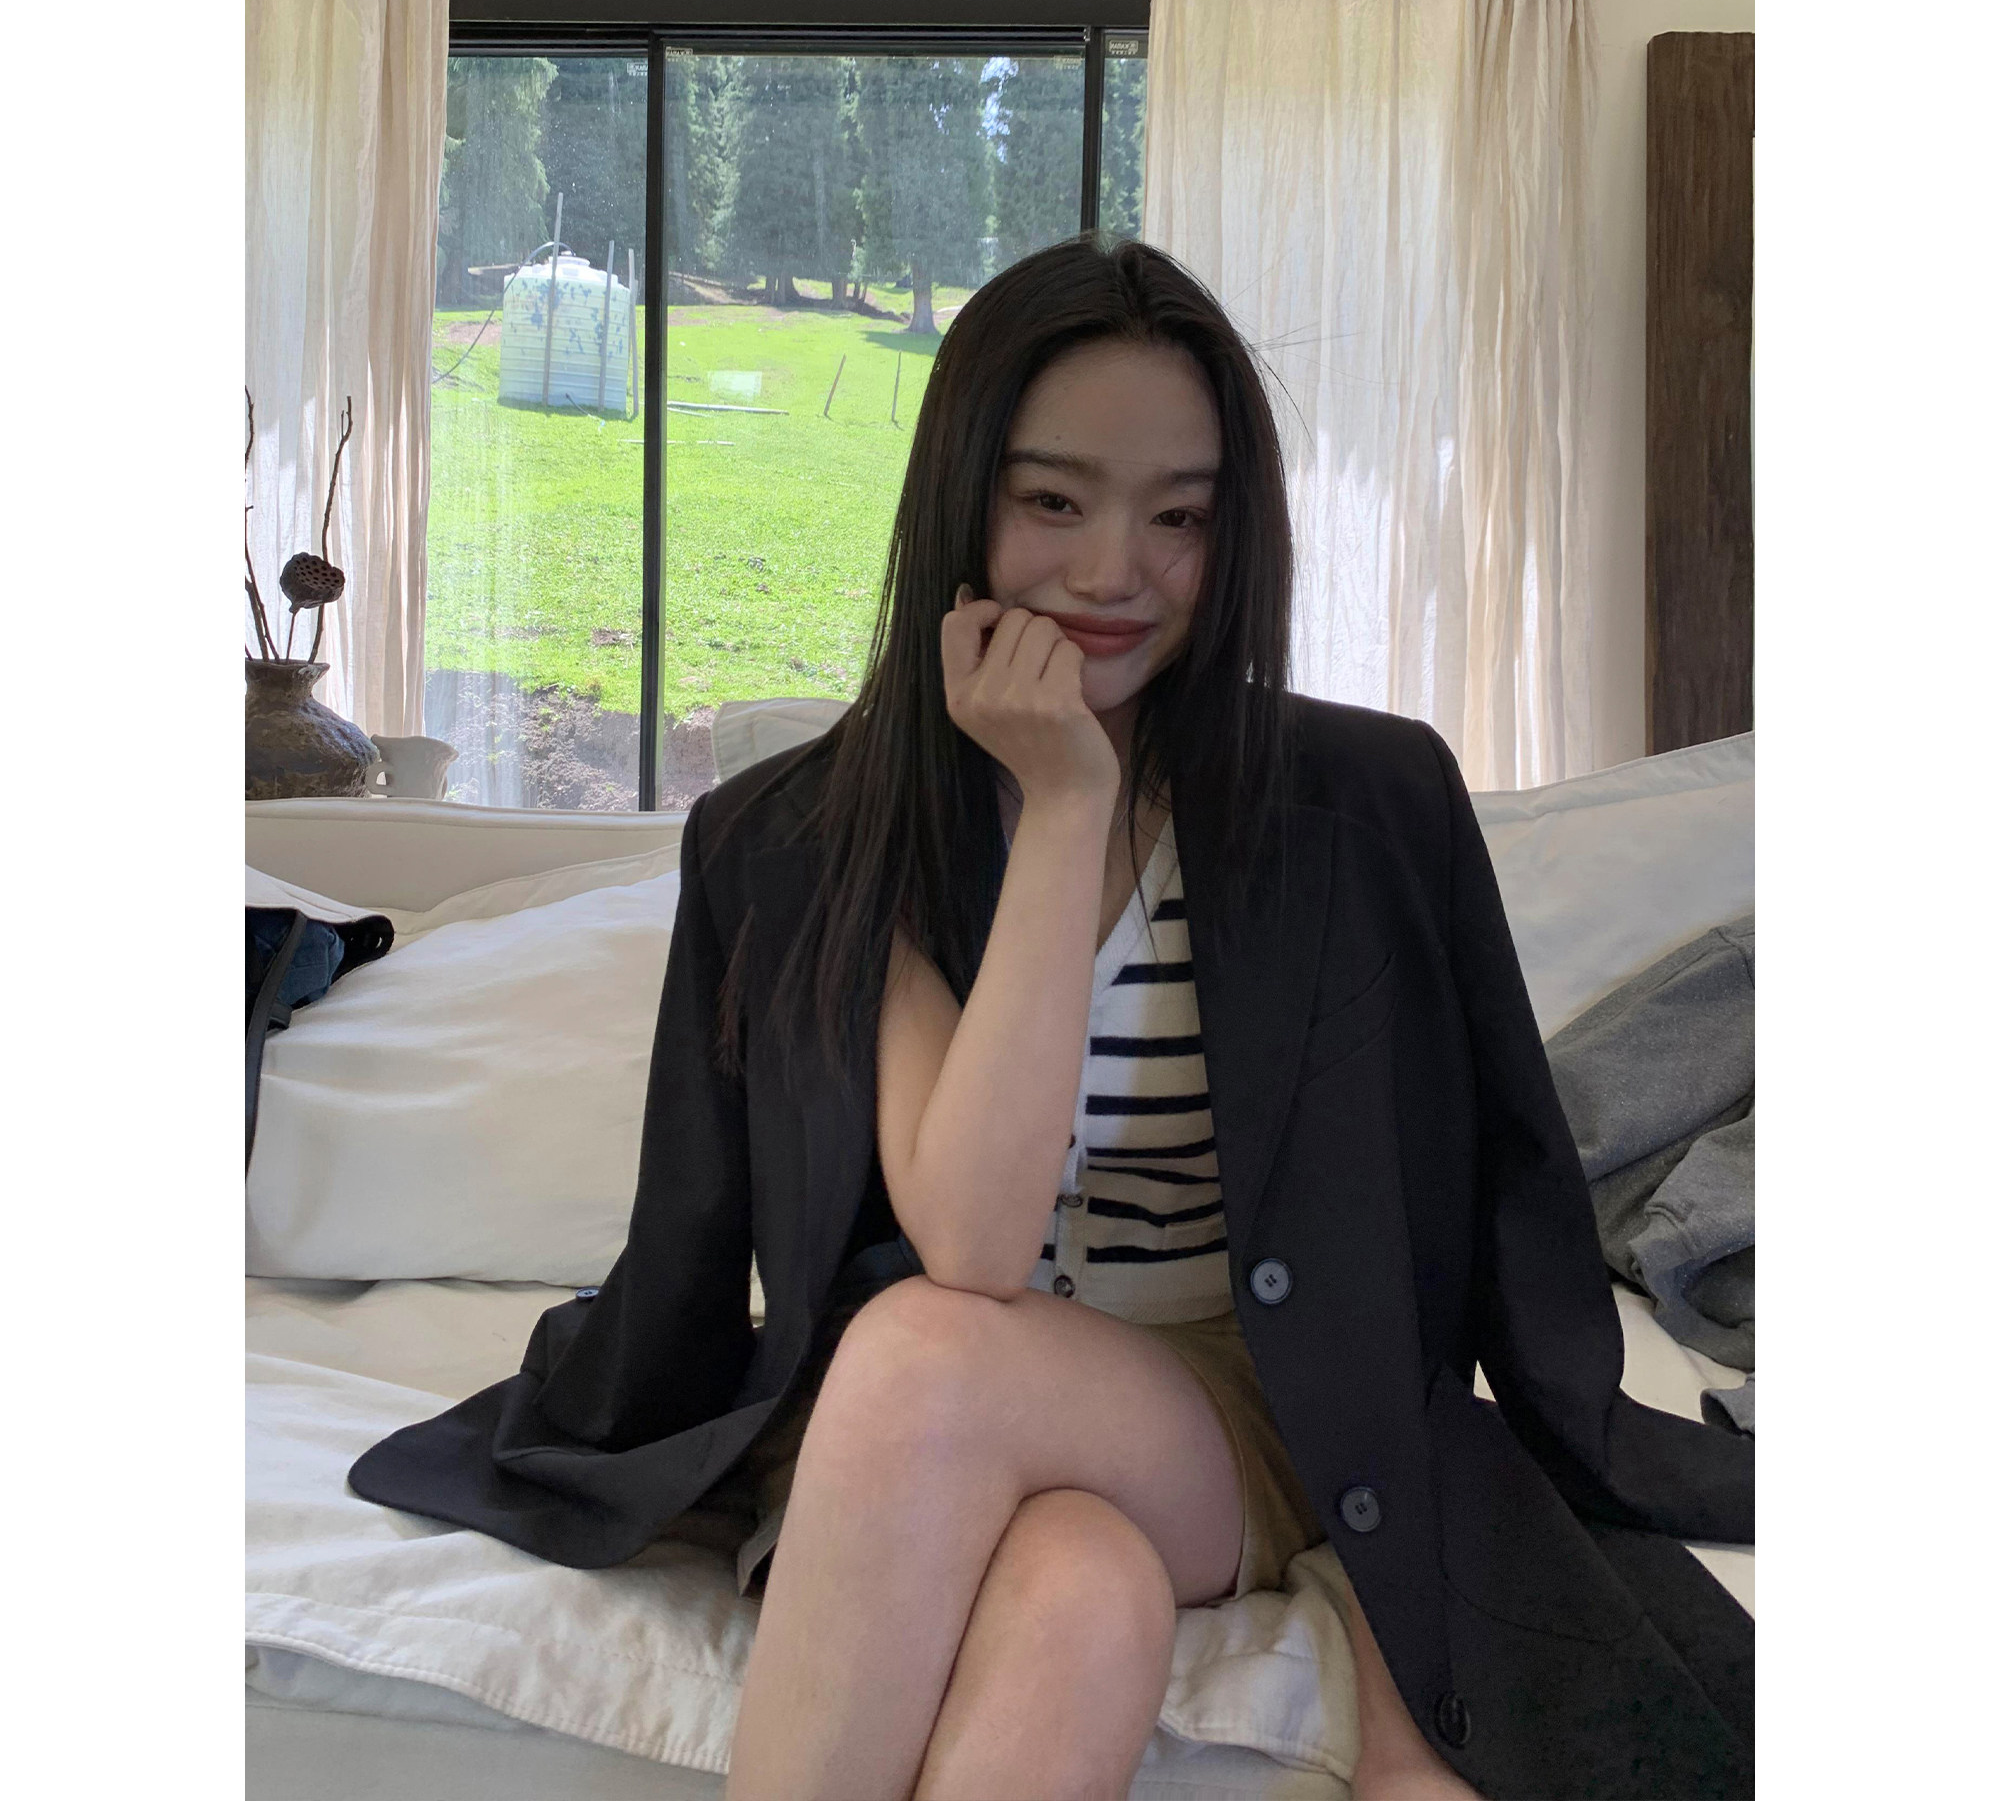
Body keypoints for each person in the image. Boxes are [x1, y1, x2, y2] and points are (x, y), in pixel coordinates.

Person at [350, 237, 1754, 1801]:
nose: (1111, 574)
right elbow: (970, 1234)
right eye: (1054, 503)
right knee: (1077, 1591)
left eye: (1180, 518)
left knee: (925, 1360)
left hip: (1226, 1407)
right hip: (910, 1429)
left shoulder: (1363, 807)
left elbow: (1491, 1188)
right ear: (965, 500)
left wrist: (1078, 799)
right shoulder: (811, 836)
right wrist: (1061, 807)